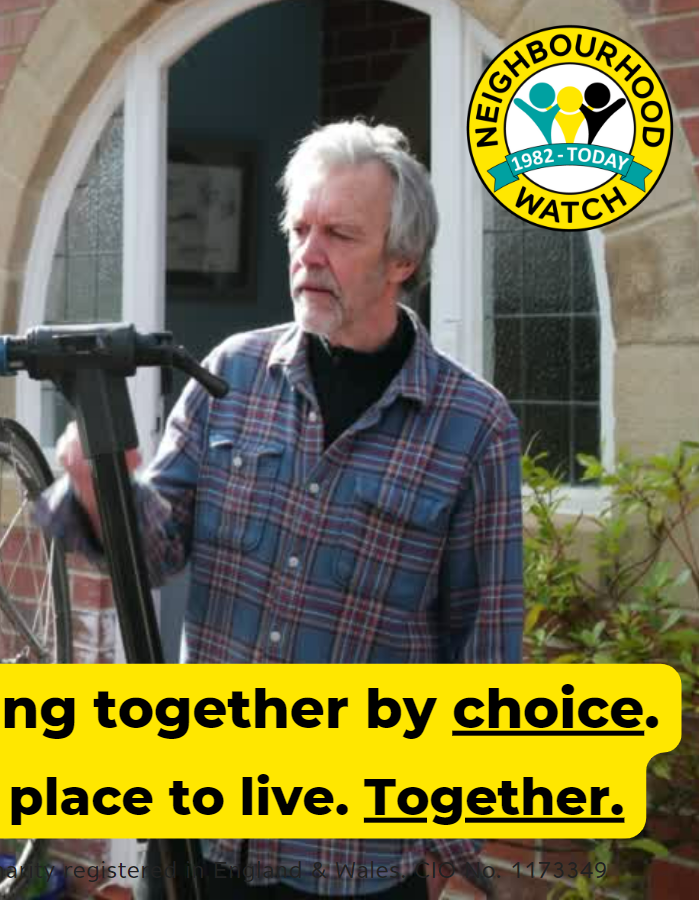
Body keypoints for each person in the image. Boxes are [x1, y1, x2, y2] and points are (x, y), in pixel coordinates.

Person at [41, 120, 521, 898]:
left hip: (351, 862)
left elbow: (486, 662)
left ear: (402, 260)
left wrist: (455, 857)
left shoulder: (473, 425)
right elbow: (157, 551)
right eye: (301, 229)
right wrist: (107, 491)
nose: (309, 253)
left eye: (339, 233)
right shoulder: (231, 372)